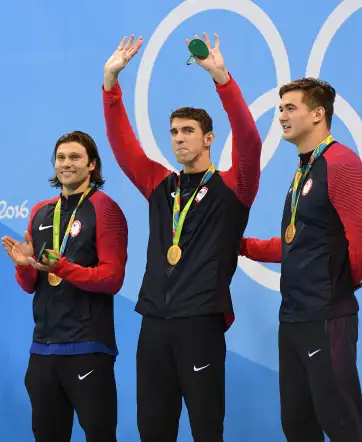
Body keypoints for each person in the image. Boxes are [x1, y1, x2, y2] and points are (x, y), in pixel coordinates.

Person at [102, 33, 262, 441]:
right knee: (152, 430)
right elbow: (125, 151)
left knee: (207, 430)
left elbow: (249, 140)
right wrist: (110, 85)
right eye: (174, 131)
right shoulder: (160, 184)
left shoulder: (234, 187)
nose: (178, 138)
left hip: (200, 324)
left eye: (188, 130)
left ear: (208, 138)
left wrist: (222, 80)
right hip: (154, 323)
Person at [239, 78, 362, 442]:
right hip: (293, 317)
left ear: (318, 114)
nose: (281, 115)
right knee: (298, 426)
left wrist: (332, 284)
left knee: (341, 424)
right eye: (280, 108)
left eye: (290, 107)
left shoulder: (342, 164)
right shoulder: (304, 169)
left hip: (326, 315)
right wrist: (240, 246)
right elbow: (297, 244)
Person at [1, 130, 128, 442]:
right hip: (43, 347)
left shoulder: (105, 208)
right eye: (61, 157)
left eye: (75, 157)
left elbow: (112, 278)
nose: (66, 163)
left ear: (92, 165)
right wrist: (23, 266)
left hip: (88, 345)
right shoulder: (41, 212)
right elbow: (32, 285)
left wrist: (63, 268)